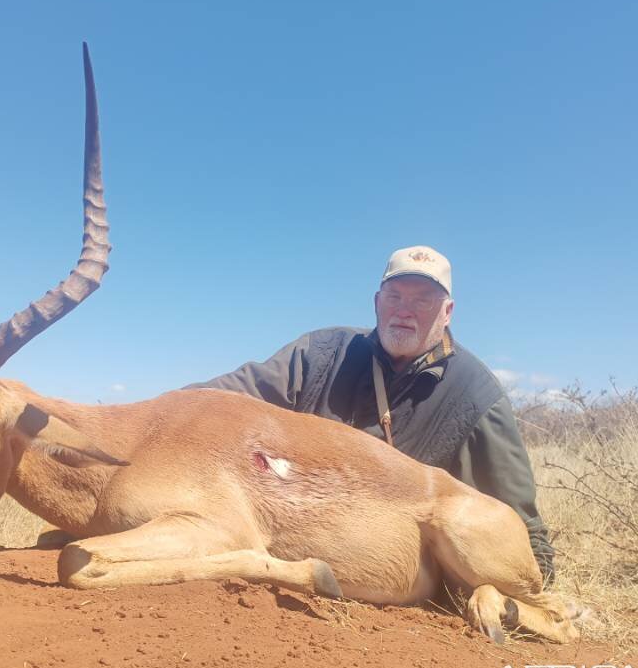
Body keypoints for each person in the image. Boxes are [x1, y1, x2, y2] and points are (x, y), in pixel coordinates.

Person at [186, 245, 555, 582]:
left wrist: (526, 580)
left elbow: (519, 530)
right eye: (394, 297)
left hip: (382, 572)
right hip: (285, 535)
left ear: (448, 312)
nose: (404, 311)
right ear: (377, 301)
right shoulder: (322, 353)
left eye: (423, 301)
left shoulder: (477, 396)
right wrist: (153, 418)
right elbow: (222, 397)